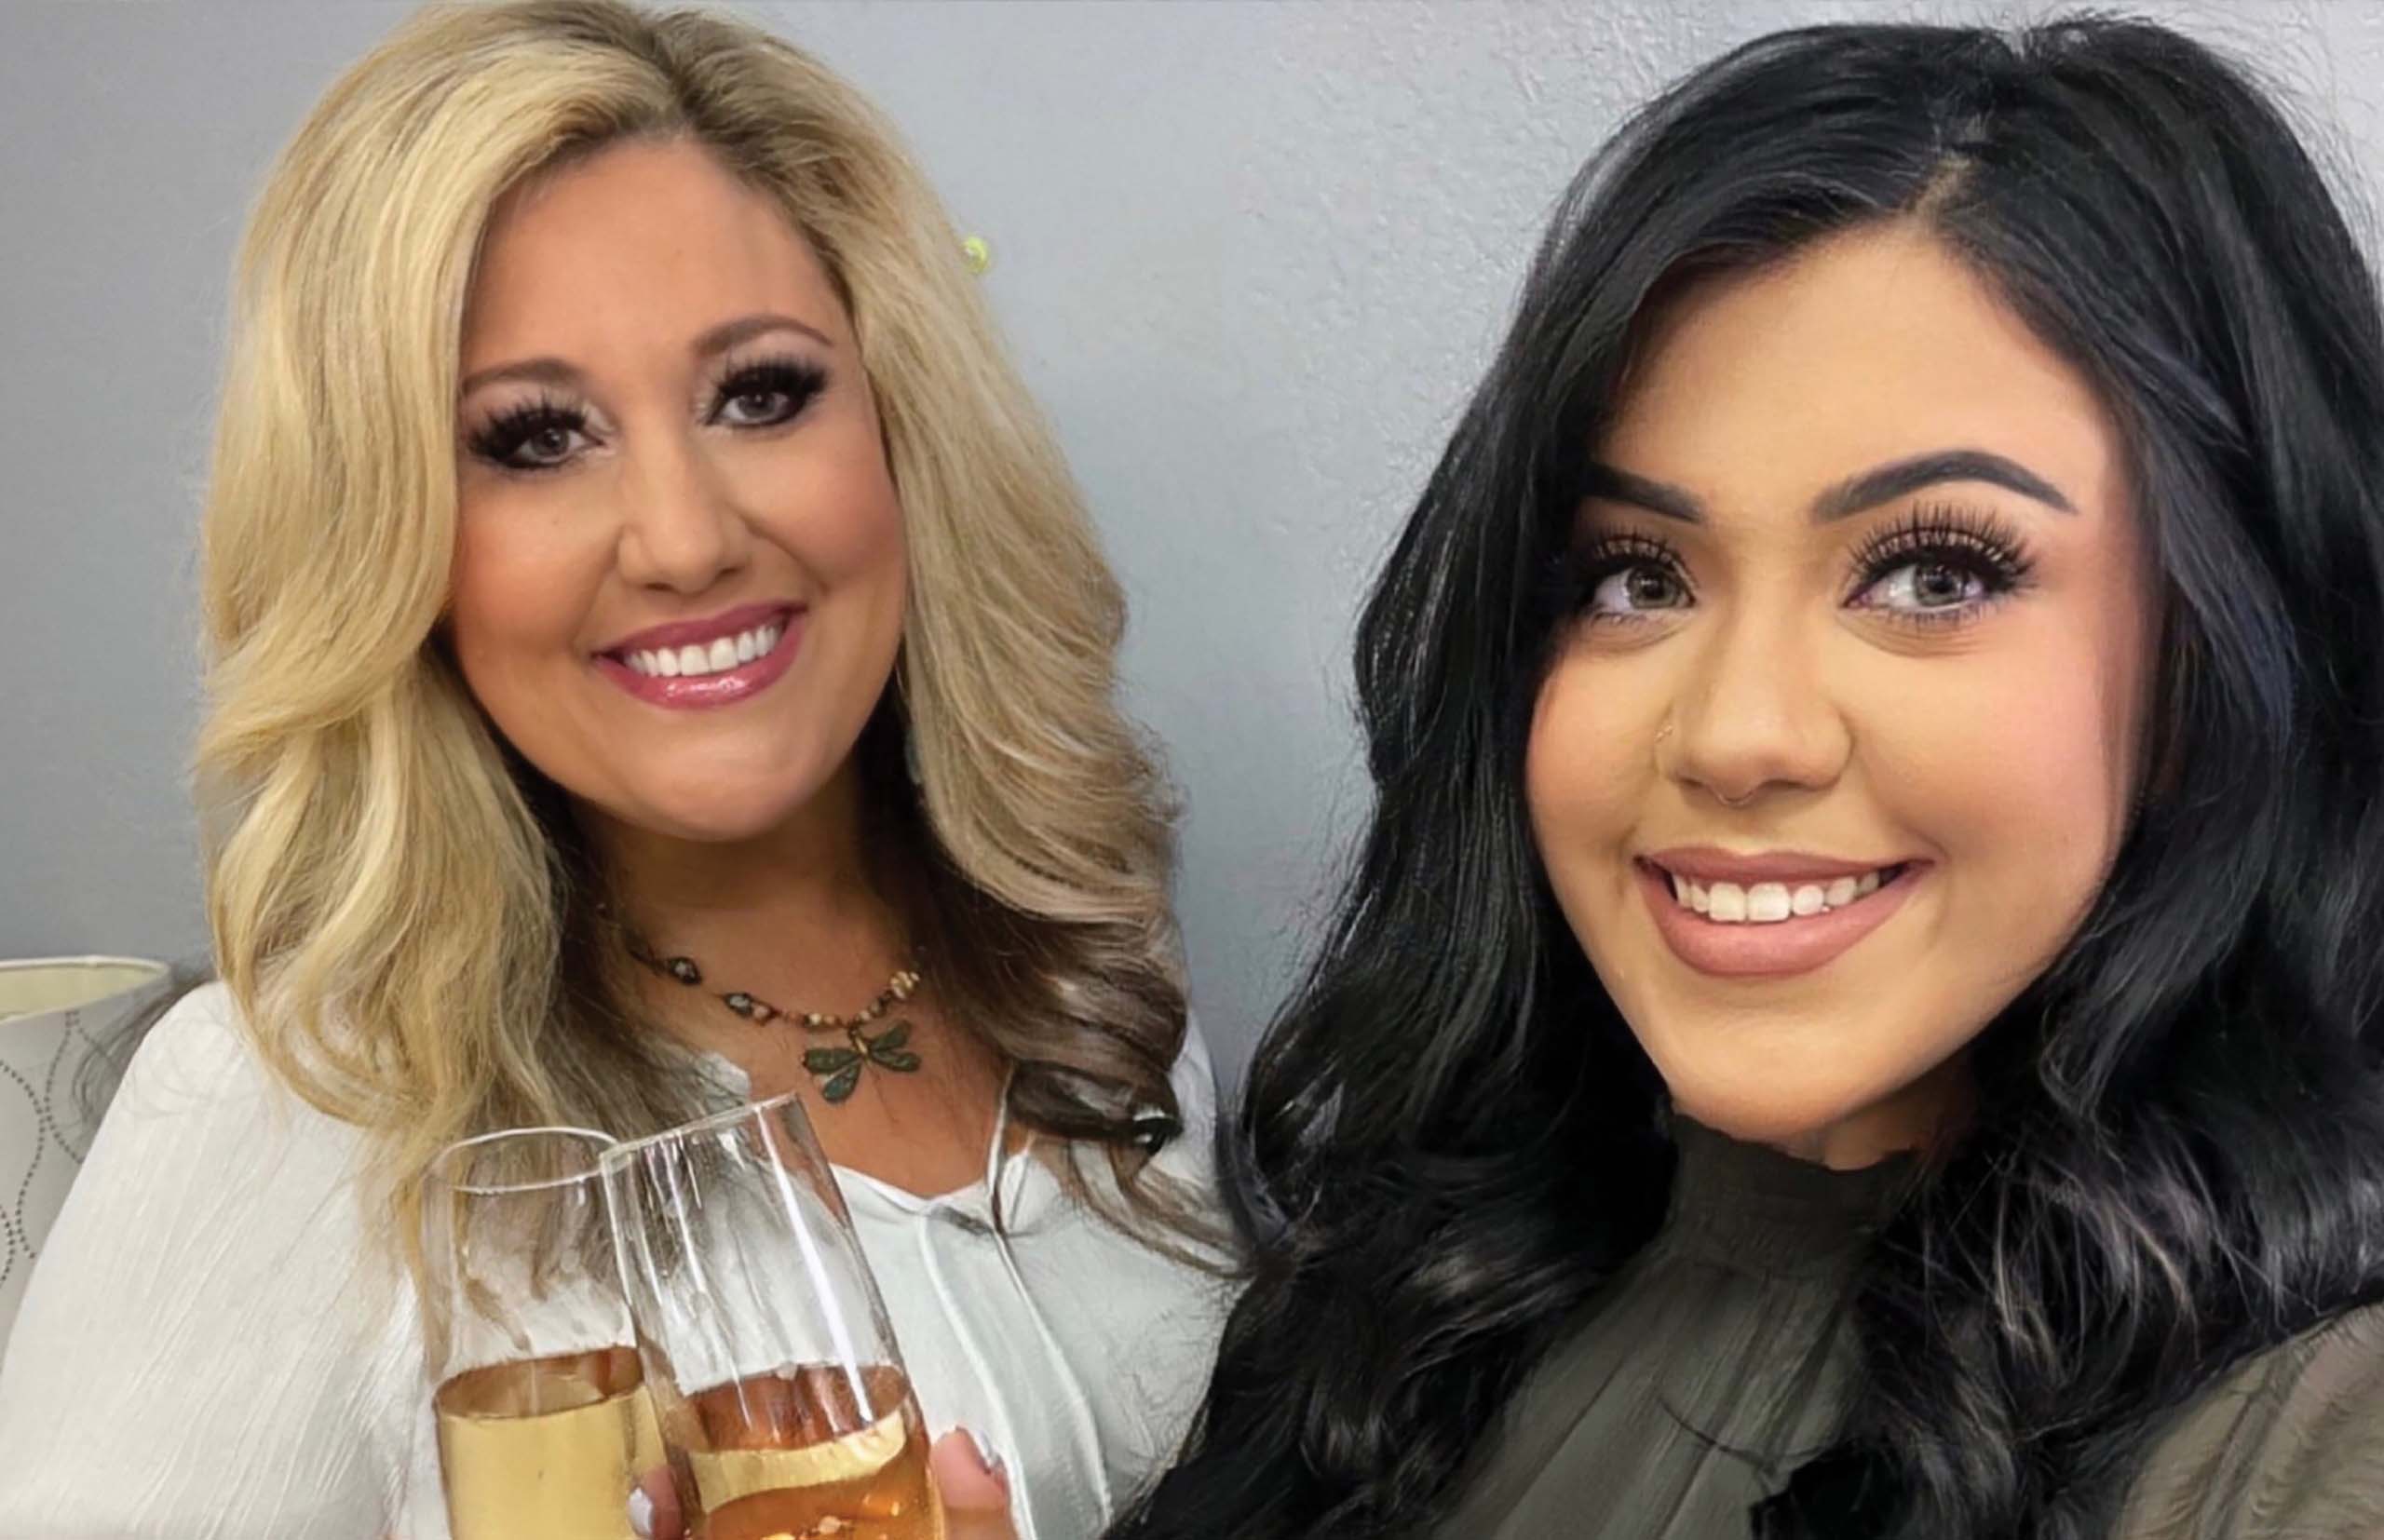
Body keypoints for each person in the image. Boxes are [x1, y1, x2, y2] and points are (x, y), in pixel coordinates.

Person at [1117, 17, 2384, 1540]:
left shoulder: (2311, 1437)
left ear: (2216, 654)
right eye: (1637, 577)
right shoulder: (1423, 1295)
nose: (1733, 732)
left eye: (1933, 573)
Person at [0, 3, 1232, 1536]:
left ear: (904, 427)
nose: (686, 537)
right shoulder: (297, 1113)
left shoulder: (1088, 940)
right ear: (391, 544)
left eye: (761, 394)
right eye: (534, 437)